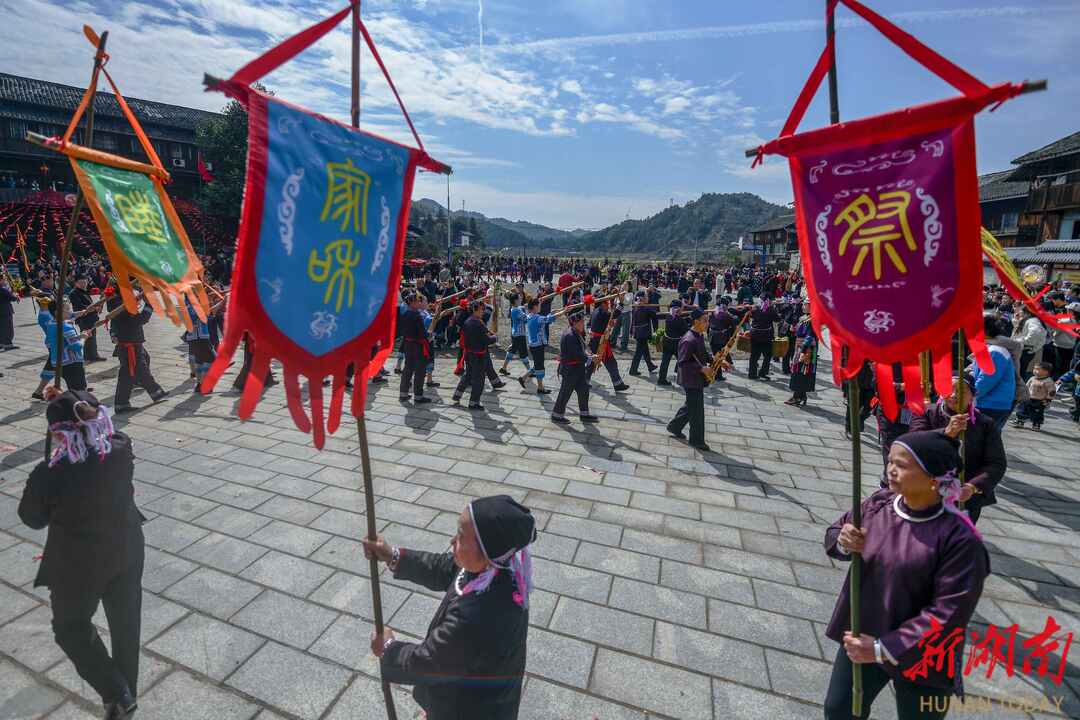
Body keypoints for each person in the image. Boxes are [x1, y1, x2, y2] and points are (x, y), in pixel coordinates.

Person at [823, 430, 988, 720]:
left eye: (901, 464)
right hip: (866, 630)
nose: (891, 469)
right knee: (840, 710)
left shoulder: (960, 539)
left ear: (934, 478)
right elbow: (836, 532)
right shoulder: (878, 504)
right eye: (890, 461)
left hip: (923, 651)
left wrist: (881, 648)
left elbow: (949, 612)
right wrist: (844, 541)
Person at [18, 391, 145, 720]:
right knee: (126, 626)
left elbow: (32, 519)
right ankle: (124, 699)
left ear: (59, 433)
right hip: (127, 547)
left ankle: (116, 691)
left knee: (70, 627)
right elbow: (92, 427)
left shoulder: (51, 473)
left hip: (78, 562)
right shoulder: (120, 447)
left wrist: (49, 472)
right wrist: (69, 403)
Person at [364, 495, 535, 720]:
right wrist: (392, 555)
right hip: (474, 688)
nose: (452, 540)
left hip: (468, 709)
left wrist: (388, 648)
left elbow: (429, 662)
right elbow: (442, 568)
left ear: (487, 550)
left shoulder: (479, 614)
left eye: (461, 536)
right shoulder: (495, 567)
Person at [908, 377, 1006, 525]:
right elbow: (914, 445)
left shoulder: (985, 424)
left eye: (961, 391)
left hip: (965, 499)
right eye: (950, 389)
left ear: (972, 396)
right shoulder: (926, 413)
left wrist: (972, 487)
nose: (954, 395)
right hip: (927, 492)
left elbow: (996, 463)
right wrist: (946, 433)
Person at [107, 293, 167, 413]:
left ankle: (155, 392)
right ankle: (122, 404)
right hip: (131, 347)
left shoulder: (118, 308)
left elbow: (114, 324)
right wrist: (149, 305)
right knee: (133, 373)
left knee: (137, 371)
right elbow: (141, 319)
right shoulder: (124, 310)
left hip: (131, 344)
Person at [666, 309, 710, 451]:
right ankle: (697, 441)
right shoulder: (688, 340)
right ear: (696, 322)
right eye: (705, 321)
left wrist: (717, 360)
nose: (707, 323)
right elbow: (683, 363)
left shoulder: (699, 335)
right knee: (697, 410)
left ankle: (675, 426)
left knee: (692, 405)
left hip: (696, 378)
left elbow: (702, 354)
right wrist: (701, 369)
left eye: (707, 320)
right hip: (690, 379)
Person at [971, 314, 1016, 432]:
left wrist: (970, 396)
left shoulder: (995, 351)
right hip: (988, 402)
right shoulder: (991, 349)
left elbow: (986, 380)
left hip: (991, 404)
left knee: (982, 438)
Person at [551, 311, 597, 424]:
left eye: (583, 321)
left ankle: (584, 414)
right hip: (570, 370)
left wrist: (589, 356)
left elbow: (581, 350)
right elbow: (576, 354)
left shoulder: (575, 332)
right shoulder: (570, 335)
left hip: (577, 369)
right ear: (574, 323)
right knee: (565, 393)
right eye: (581, 322)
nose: (583, 324)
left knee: (584, 390)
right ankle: (556, 415)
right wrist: (590, 358)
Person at [452, 300, 495, 410]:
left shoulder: (468, 321)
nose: (483, 311)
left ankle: (457, 394)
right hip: (478, 355)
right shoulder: (477, 323)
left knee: (468, 375)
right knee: (479, 379)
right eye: (481, 309)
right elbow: (486, 340)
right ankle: (473, 402)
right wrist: (494, 338)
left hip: (469, 353)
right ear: (475, 310)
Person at [43, 299, 87, 392]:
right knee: (79, 389)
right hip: (72, 363)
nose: (70, 311)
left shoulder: (51, 324)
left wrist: (78, 336)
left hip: (58, 363)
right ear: (57, 312)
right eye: (67, 309)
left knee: (72, 387)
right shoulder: (66, 326)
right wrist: (83, 338)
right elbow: (76, 346)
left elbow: (48, 343)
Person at [587, 298, 629, 391]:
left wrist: (590, 331)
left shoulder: (595, 311)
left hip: (594, 340)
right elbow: (615, 314)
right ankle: (617, 384)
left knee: (592, 362)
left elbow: (588, 325)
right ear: (603, 303)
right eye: (607, 303)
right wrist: (621, 303)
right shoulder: (602, 313)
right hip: (600, 342)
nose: (608, 305)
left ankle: (585, 381)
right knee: (610, 362)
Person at [398, 292, 432, 404]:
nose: (419, 303)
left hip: (408, 344)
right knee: (420, 371)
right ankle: (418, 396)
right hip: (418, 345)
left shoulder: (405, 313)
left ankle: (403, 393)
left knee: (408, 369)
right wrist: (428, 335)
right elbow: (422, 333)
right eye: (417, 301)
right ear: (412, 302)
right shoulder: (417, 315)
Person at [784, 307, 817, 407]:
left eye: (805, 304)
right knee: (799, 372)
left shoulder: (812, 320)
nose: (803, 306)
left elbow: (810, 336)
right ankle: (801, 395)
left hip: (806, 350)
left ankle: (797, 396)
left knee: (801, 372)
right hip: (800, 347)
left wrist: (803, 351)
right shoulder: (805, 318)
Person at [523, 299, 556, 395]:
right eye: (539, 305)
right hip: (538, 346)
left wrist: (556, 312)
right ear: (535, 307)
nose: (540, 307)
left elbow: (548, 317)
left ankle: (523, 378)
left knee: (538, 364)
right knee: (539, 366)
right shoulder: (537, 318)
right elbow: (549, 319)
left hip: (533, 345)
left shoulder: (529, 316)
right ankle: (540, 388)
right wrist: (563, 312)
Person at [498, 293, 532, 382]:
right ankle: (530, 371)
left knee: (512, 350)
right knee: (523, 353)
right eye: (519, 298)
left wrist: (525, 306)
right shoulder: (517, 310)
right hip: (519, 335)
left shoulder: (514, 308)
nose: (521, 299)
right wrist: (529, 310)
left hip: (515, 333)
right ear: (516, 300)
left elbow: (521, 308)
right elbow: (526, 319)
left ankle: (503, 368)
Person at [1013, 361, 1055, 431]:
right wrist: (1022, 394)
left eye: (1037, 369)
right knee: (1023, 409)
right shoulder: (1032, 378)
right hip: (1028, 397)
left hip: (1039, 400)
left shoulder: (1048, 381)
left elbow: (1051, 392)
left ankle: (1036, 423)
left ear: (1046, 372)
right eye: (1034, 369)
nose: (1035, 370)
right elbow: (1026, 386)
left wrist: (1048, 399)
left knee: (1037, 413)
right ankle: (1020, 420)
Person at [70, 276, 104, 362]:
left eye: (85, 282)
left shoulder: (84, 291)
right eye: (81, 283)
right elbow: (80, 307)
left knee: (92, 337)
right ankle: (89, 356)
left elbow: (90, 304)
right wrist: (95, 308)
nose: (84, 284)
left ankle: (93, 355)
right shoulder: (74, 293)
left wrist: (97, 307)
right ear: (76, 283)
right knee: (87, 337)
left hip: (91, 318)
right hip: (83, 318)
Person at [747, 297, 780, 380]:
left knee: (754, 356)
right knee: (768, 355)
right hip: (766, 336)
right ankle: (763, 372)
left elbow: (750, 316)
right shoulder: (770, 310)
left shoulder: (755, 309)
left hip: (755, 335)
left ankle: (752, 374)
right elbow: (777, 319)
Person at [627, 292, 658, 376]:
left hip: (638, 333)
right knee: (638, 353)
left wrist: (631, 331)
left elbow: (633, 321)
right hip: (643, 333)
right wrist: (656, 330)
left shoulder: (636, 308)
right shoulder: (645, 308)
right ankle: (633, 370)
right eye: (646, 296)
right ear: (642, 298)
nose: (647, 298)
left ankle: (650, 366)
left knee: (645, 350)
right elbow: (654, 316)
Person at [657, 300, 687, 386]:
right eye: (682, 308)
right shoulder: (680, 320)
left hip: (667, 342)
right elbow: (685, 332)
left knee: (665, 362)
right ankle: (683, 379)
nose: (683, 309)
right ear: (678, 309)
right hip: (677, 344)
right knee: (682, 361)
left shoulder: (668, 316)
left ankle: (661, 379)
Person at [0, 274, 18, 350]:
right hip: (5, 311)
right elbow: (12, 298)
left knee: (1, 327)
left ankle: (1, 343)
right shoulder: (3, 289)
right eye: (4, 279)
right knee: (8, 328)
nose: (5, 281)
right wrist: (15, 295)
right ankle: (8, 344)